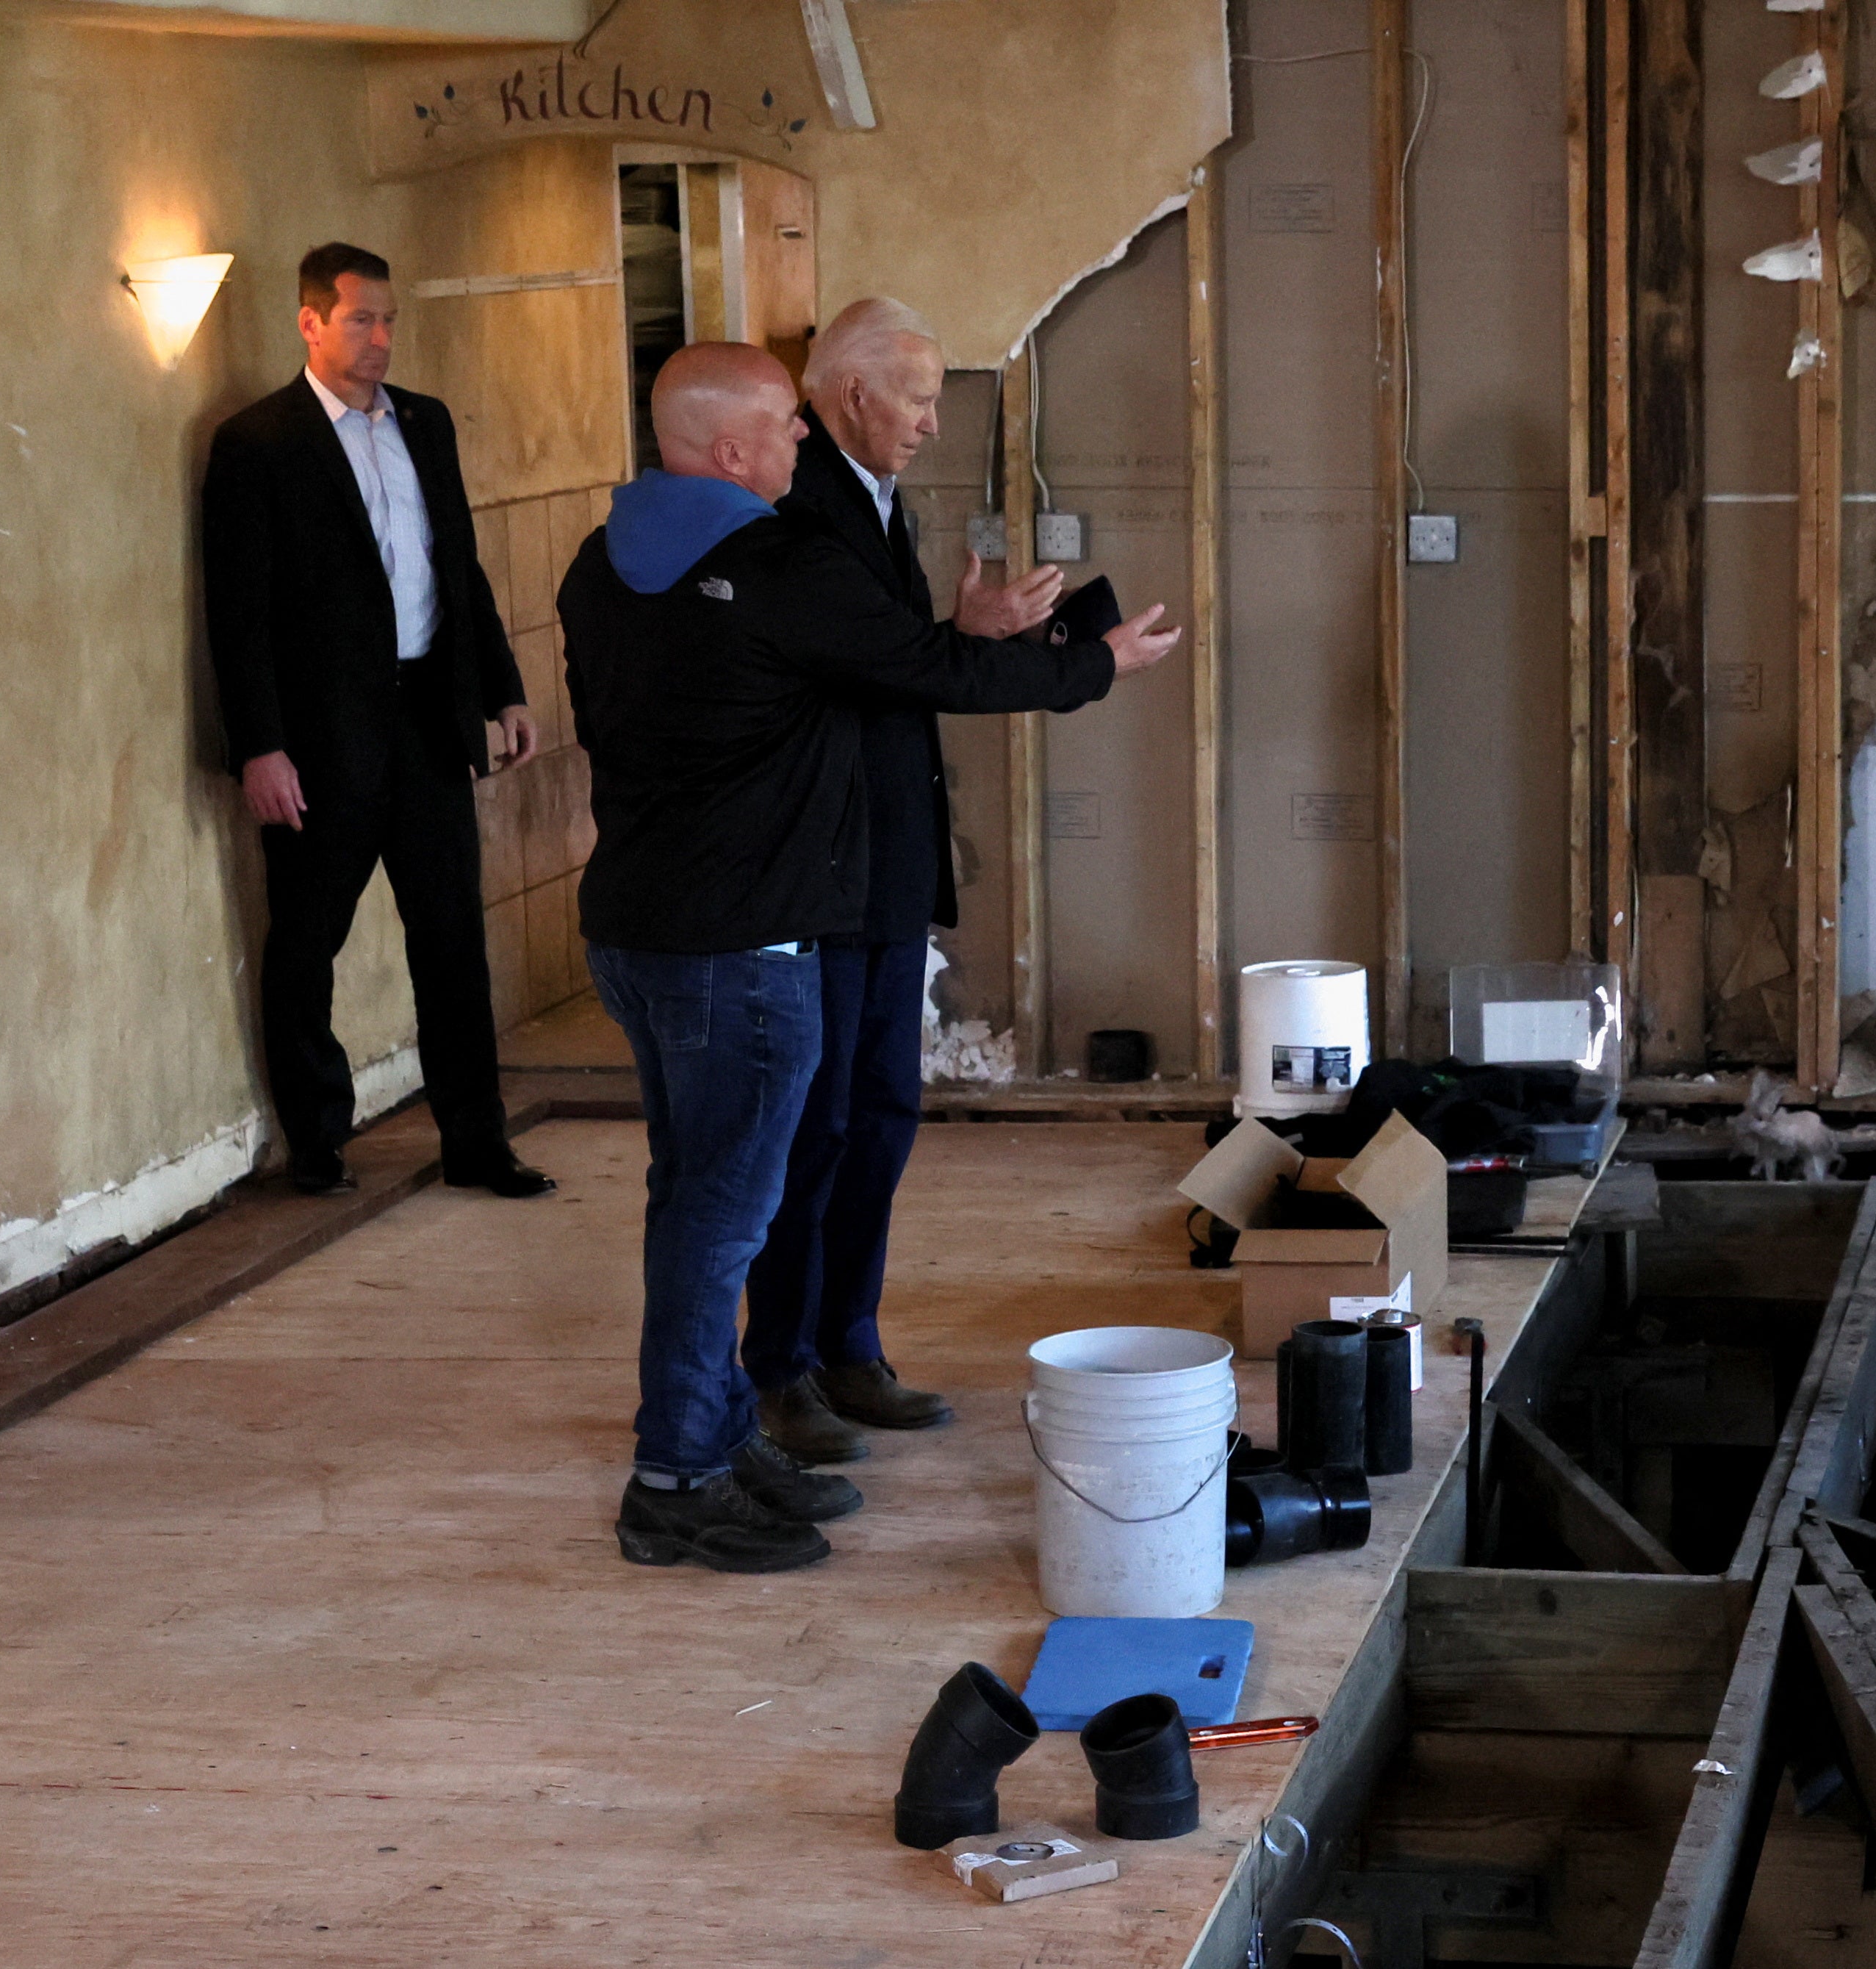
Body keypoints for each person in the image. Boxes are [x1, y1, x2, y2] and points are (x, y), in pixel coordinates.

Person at [561, 342, 1179, 1572]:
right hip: (746, 952)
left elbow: (836, 672)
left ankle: (718, 1431)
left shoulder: (603, 561)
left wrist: (956, 635)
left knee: (696, 1203)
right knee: (722, 1220)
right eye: (785, 427)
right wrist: (1090, 665)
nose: (802, 442)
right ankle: (675, 1476)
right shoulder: (778, 561)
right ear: (729, 450)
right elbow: (928, 671)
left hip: (641, 930)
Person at [740, 298, 1061, 1467]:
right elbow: (880, 666)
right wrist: (1035, 657)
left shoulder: (878, 497)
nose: (932, 421)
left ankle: (850, 1344)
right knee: (813, 1129)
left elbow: (887, 663)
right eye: (919, 396)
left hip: (883, 867)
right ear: (852, 395)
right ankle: (778, 1367)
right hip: (824, 873)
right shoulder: (803, 504)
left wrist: (957, 626)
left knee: (880, 1117)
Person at [204, 242, 555, 1199]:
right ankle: (315, 1142)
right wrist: (260, 747)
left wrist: (503, 690)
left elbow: (460, 571)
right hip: (320, 742)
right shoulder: (258, 443)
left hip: (430, 724)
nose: (382, 338)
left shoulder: (426, 425)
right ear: (311, 322)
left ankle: (477, 1145)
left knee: (451, 942)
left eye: (391, 319)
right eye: (361, 318)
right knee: (308, 939)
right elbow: (239, 615)